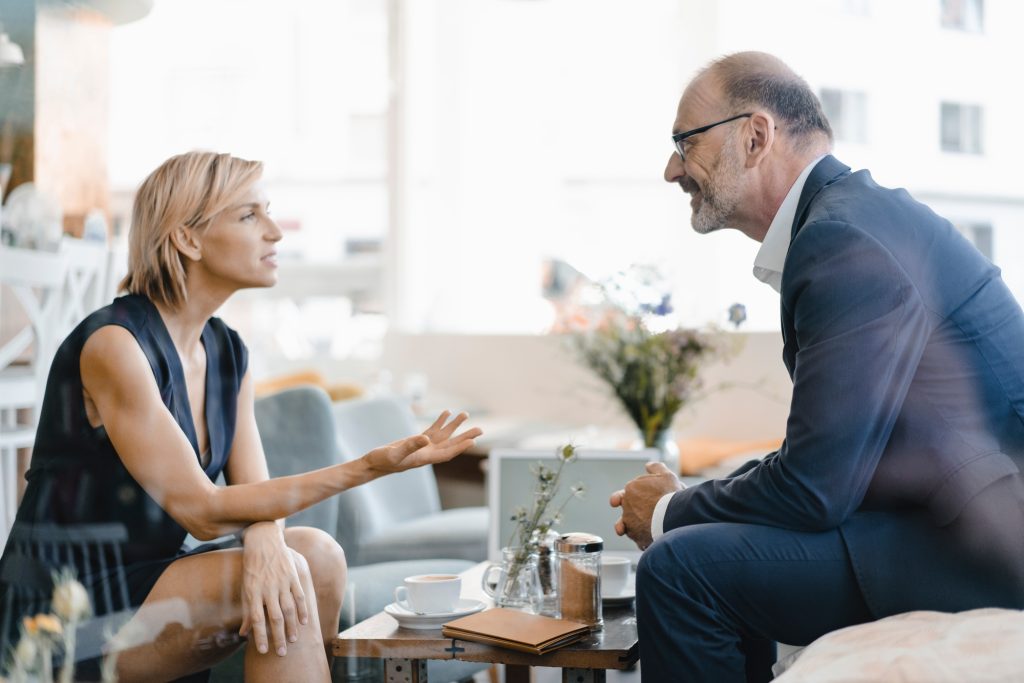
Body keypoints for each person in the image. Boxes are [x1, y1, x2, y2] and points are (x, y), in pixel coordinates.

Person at [609, 51, 1024, 682]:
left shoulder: (841, 239)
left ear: (755, 137)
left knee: (680, 568)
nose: (671, 169)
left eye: (683, 143)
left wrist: (670, 511)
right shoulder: (851, 218)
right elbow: (830, 461)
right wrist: (690, 502)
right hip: (954, 522)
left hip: (981, 548)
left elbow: (813, 490)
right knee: (703, 551)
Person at [0, 151, 482, 682]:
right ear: (188, 238)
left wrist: (267, 541)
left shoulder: (227, 350)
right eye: (250, 215)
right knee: (294, 571)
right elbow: (203, 512)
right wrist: (371, 466)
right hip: (61, 614)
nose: (274, 232)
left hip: (148, 583)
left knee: (317, 554)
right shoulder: (115, 345)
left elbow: (255, 491)